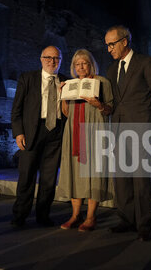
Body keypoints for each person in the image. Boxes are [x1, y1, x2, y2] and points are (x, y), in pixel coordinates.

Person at [105, 25, 151, 241]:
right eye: (107, 45)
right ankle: (126, 219)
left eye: (111, 44)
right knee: (121, 178)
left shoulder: (145, 62)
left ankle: (144, 224)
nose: (108, 49)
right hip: (118, 128)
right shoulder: (112, 70)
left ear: (124, 41)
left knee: (141, 179)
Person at [57, 49, 114, 232]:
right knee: (74, 172)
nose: (81, 67)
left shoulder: (102, 82)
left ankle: (90, 217)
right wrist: (62, 96)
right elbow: (66, 113)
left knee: (93, 174)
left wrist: (99, 104)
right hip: (73, 132)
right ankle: (75, 215)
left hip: (94, 131)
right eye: (77, 64)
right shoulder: (71, 84)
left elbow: (110, 110)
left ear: (91, 64)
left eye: (84, 63)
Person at [10, 46, 67, 227]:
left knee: (49, 179)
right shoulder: (28, 78)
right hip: (32, 132)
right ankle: (20, 216)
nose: (52, 61)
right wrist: (18, 132)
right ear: (41, 59)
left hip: (56, 132)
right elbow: (16, 109)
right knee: (26, 176)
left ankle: (43, 216)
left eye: (56, 58)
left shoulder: (67, 81)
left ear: (61, 60)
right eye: (48, 57)